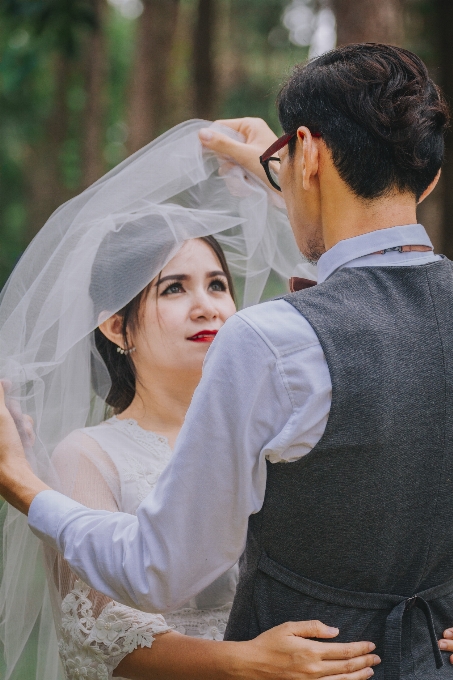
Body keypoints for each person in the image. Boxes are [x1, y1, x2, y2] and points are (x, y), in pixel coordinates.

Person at [3, 42, 453, 679]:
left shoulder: (273, 342)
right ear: (430, 175)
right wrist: (286, 170)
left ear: (311, 154)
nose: (209, 307)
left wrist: (20, 480)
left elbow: (156, 567)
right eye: (174, 287)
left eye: (216, 284)